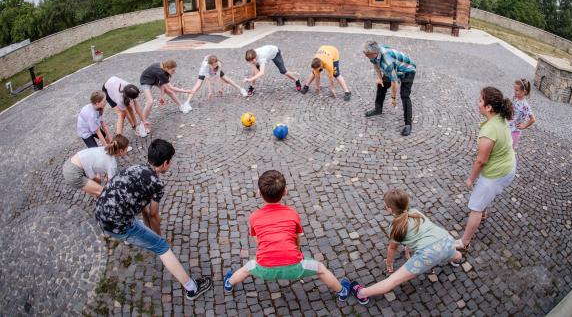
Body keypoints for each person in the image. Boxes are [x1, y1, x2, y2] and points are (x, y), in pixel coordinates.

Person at [95, 139, 212, 299]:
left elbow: (143, 206)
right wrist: (159, 238)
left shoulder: (135, 168)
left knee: (140, 226)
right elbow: (153, 214)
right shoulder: (156, 184)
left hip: (101, 211)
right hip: (117, 225)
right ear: (165, 163)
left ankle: (136, 236)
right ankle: (191, 288)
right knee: (161, 247)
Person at [222, 170, 351, 301]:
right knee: (321, 269)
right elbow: (296, 239)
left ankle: (228, 284)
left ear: (259, 193)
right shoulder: (292, 214)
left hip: (264, 267)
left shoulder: (254, 216)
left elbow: (258, 240)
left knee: (246, 268)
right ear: (285, 192)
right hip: (294, 266)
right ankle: (342, 291)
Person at [349, 188, 463, 305]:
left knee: (393, 280)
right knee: (455, 255)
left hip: (428, 253)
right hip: (446, 240)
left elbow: (392, 248)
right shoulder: (416, 212)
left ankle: (362, 293)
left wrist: (389, 262)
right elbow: (416, 233)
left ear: (389, 209)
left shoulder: (395, 226)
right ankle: (457, 260)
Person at [455, 87, 516, 252]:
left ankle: (464, 243)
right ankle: (484, 212)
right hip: (508, 165)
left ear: (489, 107)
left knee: (475, 206)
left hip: (496, 174)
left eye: (481, 100)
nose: (478, 103)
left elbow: (481, 161)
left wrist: (470, 179)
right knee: (485, 197)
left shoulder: (489, 131)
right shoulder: (500, 117)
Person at [362, 41, 416, 136]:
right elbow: (375, 64)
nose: (365, 56)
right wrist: (379, 78)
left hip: (408, 70)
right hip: (395, 69)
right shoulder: (375, 53)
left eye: (367, 55)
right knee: (381, 85)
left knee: (404, 95)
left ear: (374, 53)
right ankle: (378, 109)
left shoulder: (387, 62)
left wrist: (393, 98)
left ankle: (408, 124)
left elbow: (394, 82)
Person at [63, 135, 129, 197]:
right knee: (105, 193)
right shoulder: (112, 164)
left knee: (97, 182)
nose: (127, 150)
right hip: (73, 173)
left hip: (70, 163)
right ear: (121, 151)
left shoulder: (105, 149)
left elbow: (96, 165)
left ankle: (95, 196)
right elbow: (110, 183)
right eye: (126, 148)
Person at [182, 55, 248, 112]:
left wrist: (220, 88)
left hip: (212, 69)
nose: (215, 66)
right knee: (198, 85)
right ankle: (187, 103)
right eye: (213, 65)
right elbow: (208, 80)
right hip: (204, 71)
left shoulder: (218, 64)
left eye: (216, 64)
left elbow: (218, 77)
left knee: (227, 80)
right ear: (209, 64)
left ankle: (241, 89)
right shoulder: (205, 67)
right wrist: (210, 92)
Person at [509, 78, 536, 149]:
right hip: (508, 127)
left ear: (524, 92)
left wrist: (524, 126)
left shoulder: (525, 106)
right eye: (514, 89)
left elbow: (533, 119)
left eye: (517, 90)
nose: (514, 92)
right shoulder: (515, 98)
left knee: (509, 149)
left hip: (514, 131)